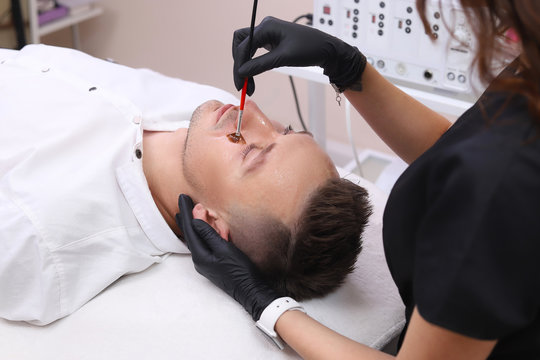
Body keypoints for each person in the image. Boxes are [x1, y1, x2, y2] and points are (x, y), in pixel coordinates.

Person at [177, 1, 540, 359]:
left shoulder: (493, 190)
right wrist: (348, 67)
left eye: (281, 132)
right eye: (286, 130)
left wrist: (267, 305)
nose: (252, 113)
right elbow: (458, 146)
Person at [0, 44, 371, 326]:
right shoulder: (209, 118)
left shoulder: (38, 243)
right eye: (284, 129)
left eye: (251, 153)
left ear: (209, 222)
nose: (251, 112)